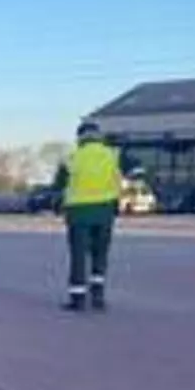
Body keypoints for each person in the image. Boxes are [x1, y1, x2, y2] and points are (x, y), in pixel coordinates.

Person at [52, 121, 137, 311]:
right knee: (100, 254)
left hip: (78, 213)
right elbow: (137, 171)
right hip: (105, 211)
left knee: (78, 255)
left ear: (79, 137)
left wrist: (57, 205)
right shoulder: (114, 154)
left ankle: (78, 298)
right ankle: (98, 296)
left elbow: (57, 188)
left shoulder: (71, 158)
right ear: (99, 135)